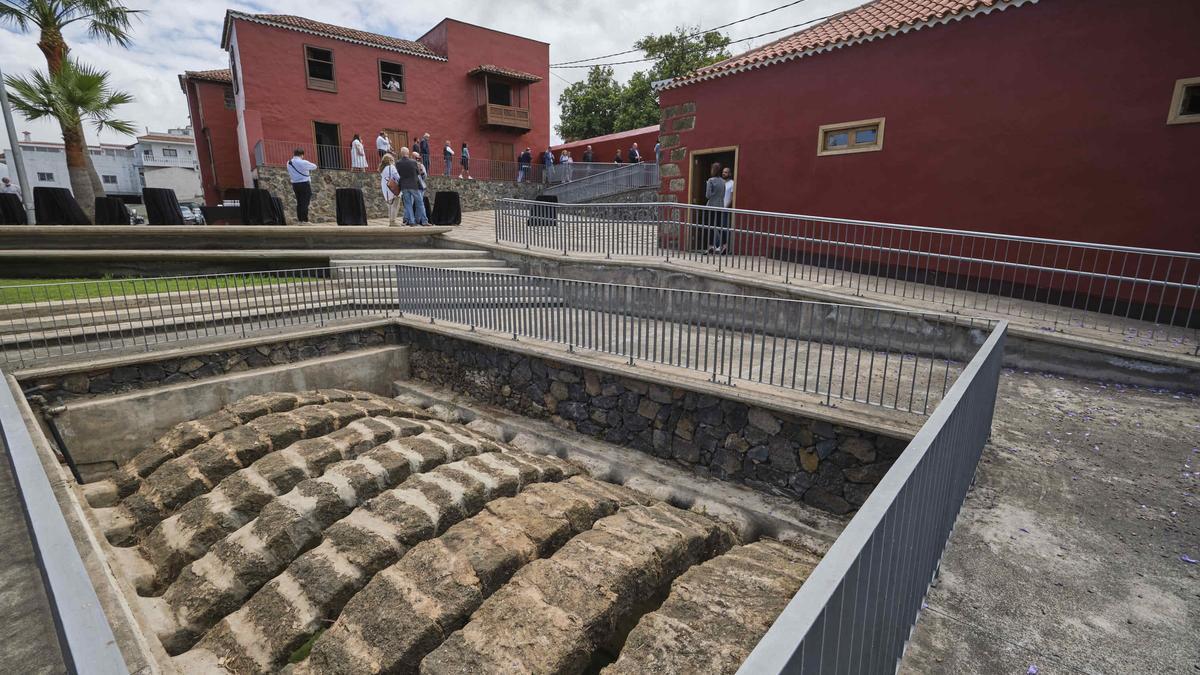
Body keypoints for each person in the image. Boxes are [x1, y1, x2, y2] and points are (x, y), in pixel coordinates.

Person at [396, 147, 428, 225]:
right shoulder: (413, 162)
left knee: (408, 205)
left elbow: (398, 174)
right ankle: (423, 221)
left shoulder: (398, 163)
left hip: (404, 186)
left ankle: (412, 222)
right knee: (420, 203)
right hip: (414, 186)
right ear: (408, 153)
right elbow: (418, 174)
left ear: (401, 153)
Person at [287, 148, 318, 223]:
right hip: (304, 184)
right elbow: (314, 166)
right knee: (305, 202)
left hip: (295, 184)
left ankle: (300, 220)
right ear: (302, 155)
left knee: (299, 202)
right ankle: (304, 220)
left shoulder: (289, 162)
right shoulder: (303, 162)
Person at [704, 162, 727, 254]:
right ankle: (724, 245)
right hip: (720, 206)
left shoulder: (710, 180)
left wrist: (707, 186)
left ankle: (711, 246)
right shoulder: (723, 181)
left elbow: (708, 195)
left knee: (709, 226)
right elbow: (723, 195)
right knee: (719, 226)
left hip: (711, 206)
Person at [379, 153, 401, 226]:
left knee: (390, 206)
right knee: (395, 205)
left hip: (386, 189)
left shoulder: (382, 169)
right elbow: (397, 177)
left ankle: (391, 221)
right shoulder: (391, 167)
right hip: (393, 188)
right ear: (390, 160)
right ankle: (393, 221)